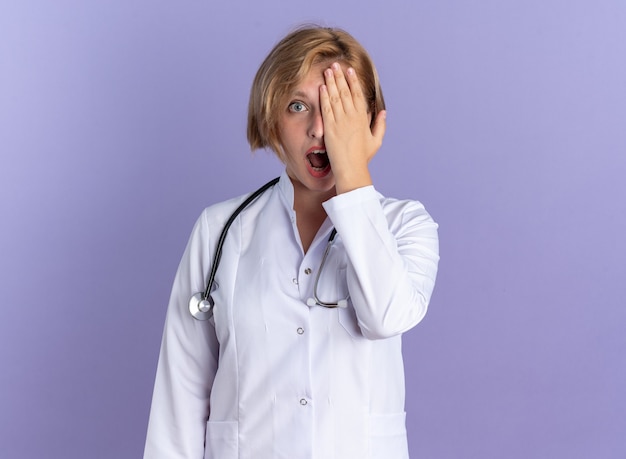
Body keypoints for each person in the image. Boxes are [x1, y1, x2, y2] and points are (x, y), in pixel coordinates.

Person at [144, 25, 439, 459]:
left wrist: (354, 173)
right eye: (298, 106)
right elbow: (179, 398)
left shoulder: (405, 224)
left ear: (371, 121)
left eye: (341, 109)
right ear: (270, 118)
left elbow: (385, 317)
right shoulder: (219, 229)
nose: (321, 129)